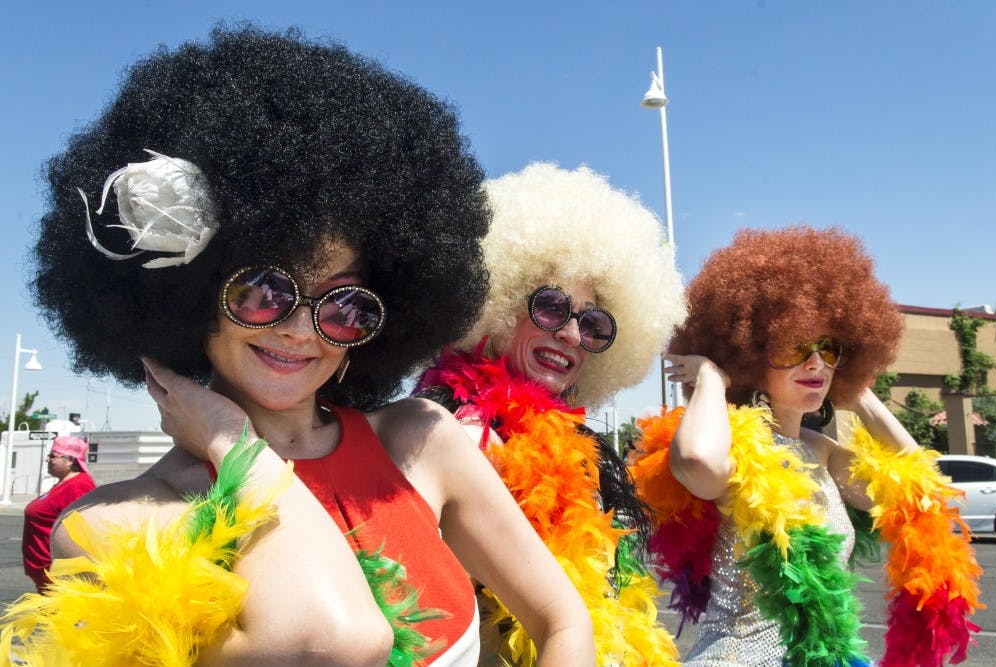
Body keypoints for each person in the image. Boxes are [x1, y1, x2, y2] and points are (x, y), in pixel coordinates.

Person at [0, 27, 593, 667]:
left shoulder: (422, 442)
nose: (299, 329)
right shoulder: (118, 524)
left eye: (344, 306)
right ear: (194, 296)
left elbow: (563, 621)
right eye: (263, 290)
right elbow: (337, 640)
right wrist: (234, 446)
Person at [631, 226, 982, 666]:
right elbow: (698, 464)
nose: (815, 362)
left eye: (829, 348)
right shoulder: (736, 447)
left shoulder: (821, 450)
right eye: (795, 346)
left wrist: (862, 397)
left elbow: (921, 492)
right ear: (749, 354)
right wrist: (712, 378)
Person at [417, 163, 687, 666]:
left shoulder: (576, 451)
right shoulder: (459, 436)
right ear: (494, 303)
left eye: (593, 323)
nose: (569, 334)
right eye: (549, 307)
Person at [21, 435, 96, 592]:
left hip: (56, 573)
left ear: (70, 461)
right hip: (45, 571)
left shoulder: (79, 485)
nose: (48, 460)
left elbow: (80, 532)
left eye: (53, 456)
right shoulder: (63, 483)